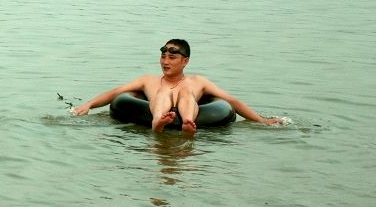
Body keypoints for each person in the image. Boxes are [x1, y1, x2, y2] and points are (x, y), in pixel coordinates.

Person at [70, 39, 283, 134]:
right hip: (157, 112)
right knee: (162, 92)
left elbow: (232, 102)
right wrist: (88, 104)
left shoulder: (198, 82)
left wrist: (262, 121)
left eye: (172, 57)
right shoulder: (149, 80)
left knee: (185, 92)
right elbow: (116, 93)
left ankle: (188, 124)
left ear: (185, 61)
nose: (165, 62)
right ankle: (157, 125)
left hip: (188, 109)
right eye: (163, 56)